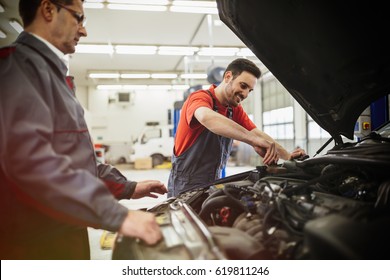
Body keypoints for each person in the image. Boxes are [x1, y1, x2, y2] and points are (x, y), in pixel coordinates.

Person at [0, 0, 167, 260]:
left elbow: (78, 162)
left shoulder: (54, 76)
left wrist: (129, 188)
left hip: (65, 232)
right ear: (48, 10)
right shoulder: (18, 67)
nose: (83, 30)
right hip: (34, 244)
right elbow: (30, 162)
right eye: (79, 18)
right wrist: (116, 216)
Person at [168, 58, 306, 197]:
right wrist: (252, 141)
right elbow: (206, 117)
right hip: (186, 182)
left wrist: (287, 156)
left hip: (213, 180)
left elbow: (258, 134)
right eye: (243, 86)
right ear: (228, 77)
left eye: (250, 90)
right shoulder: (200, 98)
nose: (245, 94)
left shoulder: (234, 110)